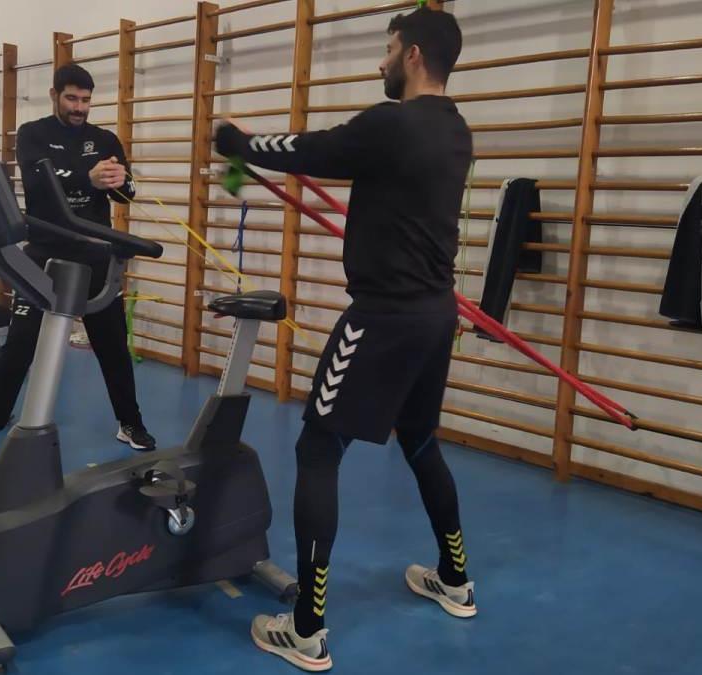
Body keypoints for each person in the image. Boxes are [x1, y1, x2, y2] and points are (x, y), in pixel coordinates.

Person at [214, 8, 473, 671]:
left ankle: (308, 627)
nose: (379, 64)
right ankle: (456, 577)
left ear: (413, 55)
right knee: (419, 440)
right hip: (435, 313)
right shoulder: (457, 131)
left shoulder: (390, 124)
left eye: (387, 52)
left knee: (318, 446)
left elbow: (311, 149)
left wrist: (239, 142)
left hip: (383, 316)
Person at [0, 63, 155, 468]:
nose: (79, 107)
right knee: (19, 348)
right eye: (72, 98)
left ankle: (130, 422)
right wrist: (88, 178)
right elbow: (37, 185)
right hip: (46, 256)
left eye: (86, 100)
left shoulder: (105, 139)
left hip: (96, 257)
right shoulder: (34, 134)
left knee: (114, 349)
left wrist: (121, 180)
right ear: (55, 96)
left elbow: (127, 194)